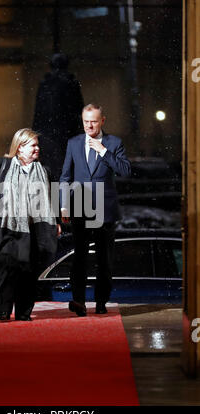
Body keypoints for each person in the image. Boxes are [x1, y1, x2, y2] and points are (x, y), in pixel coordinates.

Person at [0, 128, 61, 321]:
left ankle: (24, 312)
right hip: (8, 226)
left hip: (34, 229)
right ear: (20, 147)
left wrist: (56, 221)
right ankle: (4, 311)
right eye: (32, 145)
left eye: (37, 145)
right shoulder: (2, 165)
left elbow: (52, 196)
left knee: (29, 271)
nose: (37, 148)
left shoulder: (44, 170)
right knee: (7, 268)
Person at [60, 104, 131, 317]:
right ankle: (79, 301)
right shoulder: (73, 143)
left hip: (105, 208)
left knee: (104, 259)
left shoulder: (114, 143)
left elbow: (125, 170)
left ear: (102, 121)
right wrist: (63, 204)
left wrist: (104, 152)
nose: (89, 125)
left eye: (93, 121)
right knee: (79, 257)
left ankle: (101, 302)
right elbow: (65, 176)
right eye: (85, 121)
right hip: (80, 205)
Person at [33, 53, 84, 181]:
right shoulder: (70, 82)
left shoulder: (45, 83)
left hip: (49, 132)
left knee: (53, 168)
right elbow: (78, 107)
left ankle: (57, 197)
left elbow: (38, 111)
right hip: (66, 131)